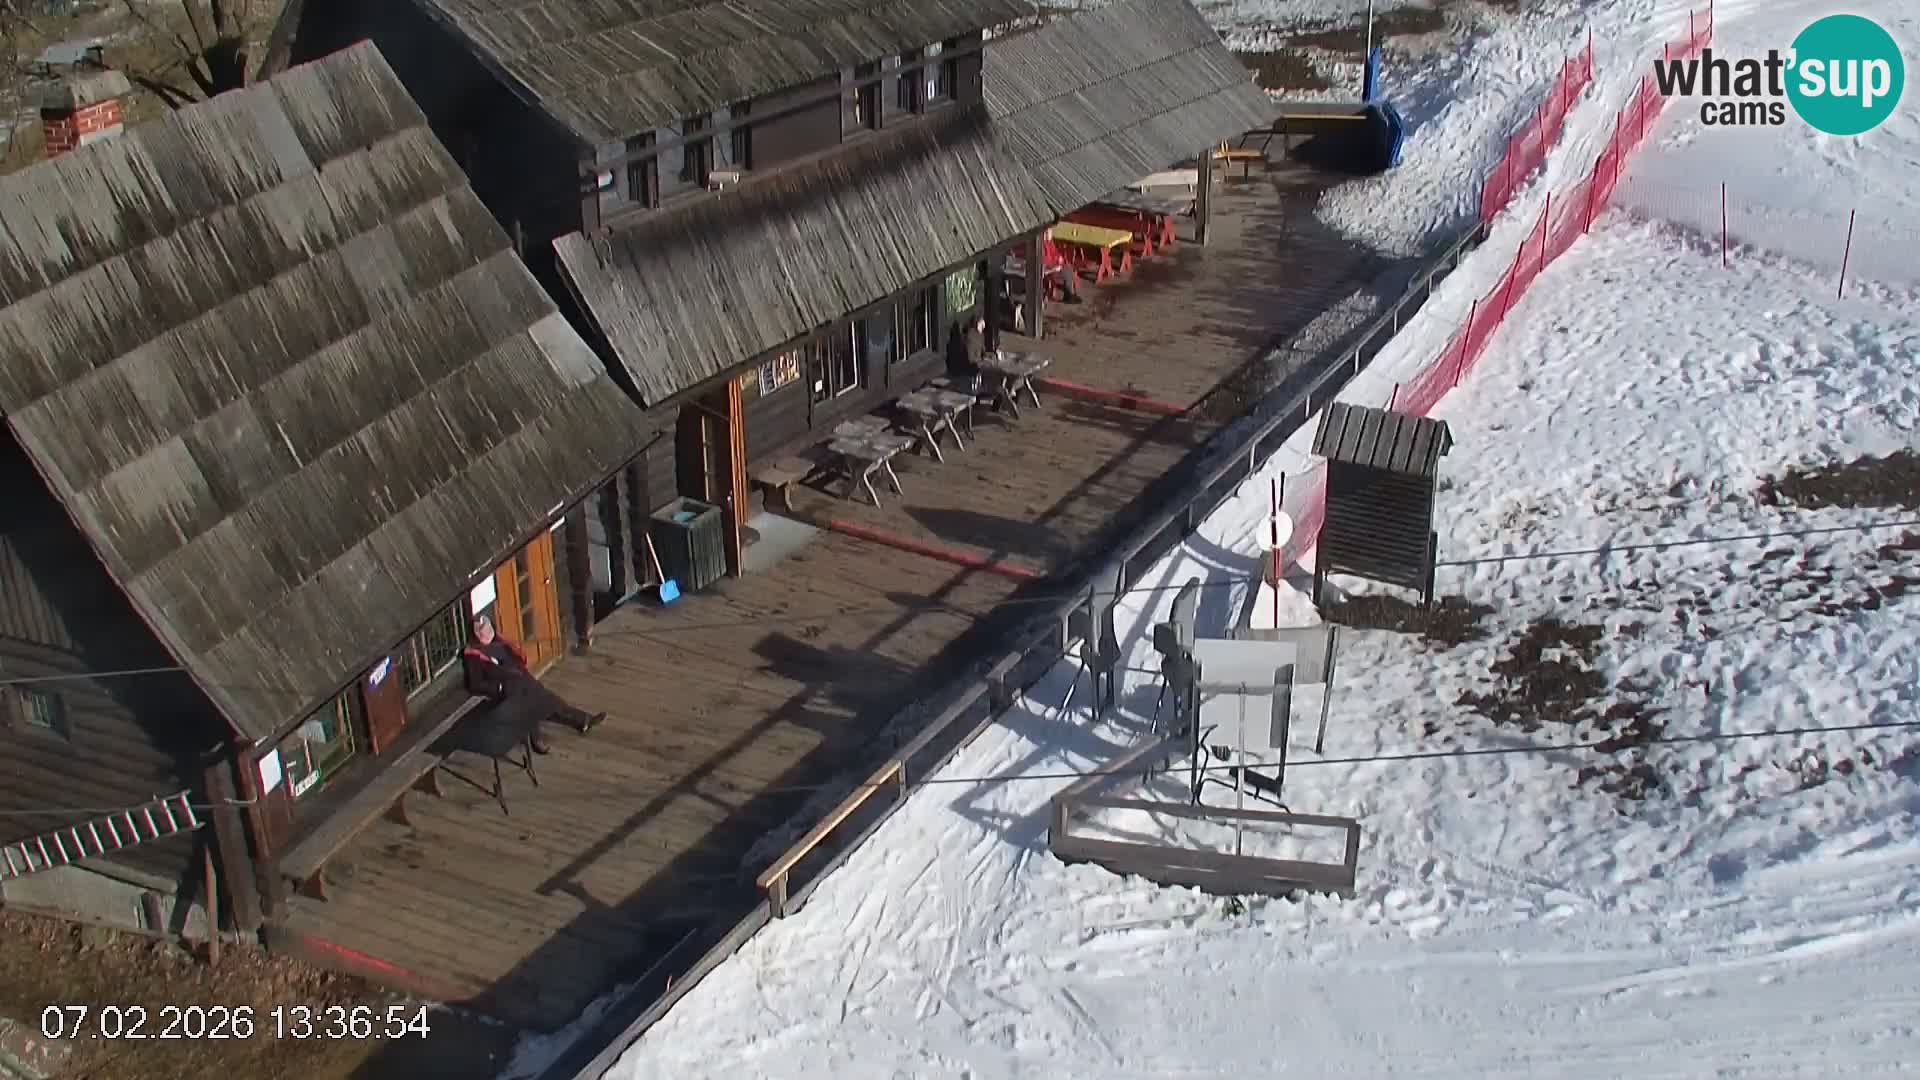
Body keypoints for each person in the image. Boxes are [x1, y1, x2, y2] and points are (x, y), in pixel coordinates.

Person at [462, 615, 604, 754]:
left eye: (488, 630)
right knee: (538, 704)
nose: (487, 635)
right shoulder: (474, 655)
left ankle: (581, 721)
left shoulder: (498, 642)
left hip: (520, 678)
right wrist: (498, 688)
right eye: (483, 633)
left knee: (548, 700)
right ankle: (542, 737)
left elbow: (514, 656)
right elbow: (475, 684)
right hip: (506, 689)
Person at [943, 314, 989, 396]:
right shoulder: (969, 337)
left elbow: (983, 351)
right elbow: (969, 357)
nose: (983, 327)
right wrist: (981, 361)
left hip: (976, 363)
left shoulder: (980, 336)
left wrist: (987, 356)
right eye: (981, 324)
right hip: (968, 367)